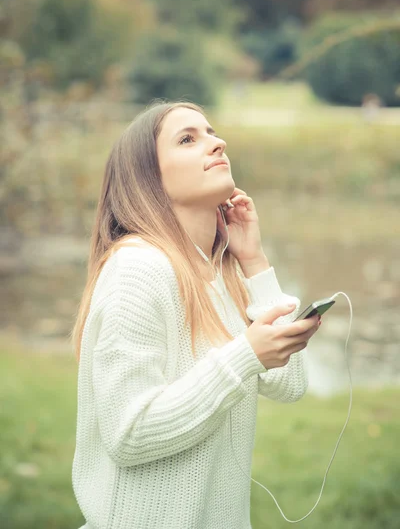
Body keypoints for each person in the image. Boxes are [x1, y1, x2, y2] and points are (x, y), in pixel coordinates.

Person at [70, 100, 321, 529]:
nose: (217, 143)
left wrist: (255, 262)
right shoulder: (138, 270)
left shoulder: (219, 270)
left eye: (211, 132)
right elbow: (129, 434)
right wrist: (245, 355)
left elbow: (290, 382)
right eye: (188, 139)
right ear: (148, 179)